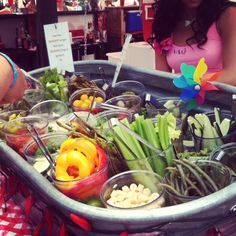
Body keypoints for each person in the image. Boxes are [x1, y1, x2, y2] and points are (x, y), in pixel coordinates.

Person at [152, 0, 236, 85]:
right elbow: (161, 79)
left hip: (219, 96)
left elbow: (232, 76)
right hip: (179, 96)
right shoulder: (164, 20)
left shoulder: (229, 14)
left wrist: (189, 85)